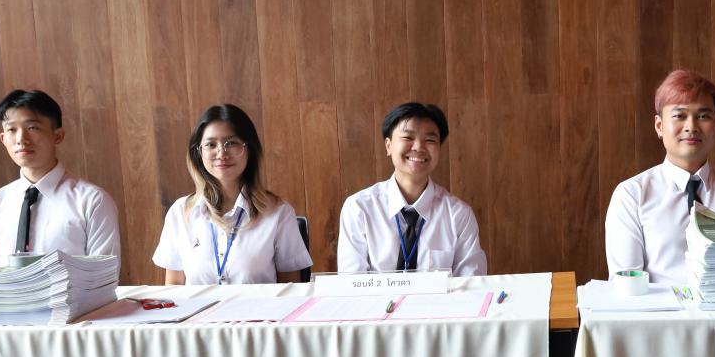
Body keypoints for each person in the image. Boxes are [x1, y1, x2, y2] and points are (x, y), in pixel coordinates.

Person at [604, 69, 715, 283]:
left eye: (703, 116)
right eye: (679, 116)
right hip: (658, 306)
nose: (691, 127)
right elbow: (627, 286)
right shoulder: (631, 195)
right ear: (659, 126)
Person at [0, 89, 120, 279]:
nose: (21, 139)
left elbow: (102, 280)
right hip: (4, 299)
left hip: (72, 300)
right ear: (3, 139)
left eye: (32, 128)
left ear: (57, 136)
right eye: (12, 129)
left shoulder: (92, 201)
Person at [152, 104, 311, 284]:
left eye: (231, 143)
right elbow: (174, 288)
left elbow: (292, 291)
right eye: (211, 144)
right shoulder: (181, 212)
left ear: (249, 149)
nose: (222, 153)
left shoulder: (278, 213)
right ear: (198, 153)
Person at [337, 102, 487, 276]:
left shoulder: (458, 215)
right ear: (388, 146)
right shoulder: (359, 208)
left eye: (430, 140)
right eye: (408, 138)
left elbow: (470, 283)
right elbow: (351, 283)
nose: (418, 147)